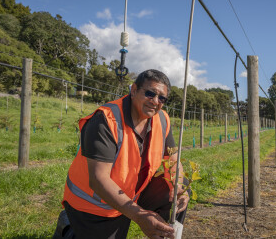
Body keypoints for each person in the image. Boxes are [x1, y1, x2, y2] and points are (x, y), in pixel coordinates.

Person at [56, 69, 189, 239]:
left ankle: (164, 234)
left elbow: (173, 161)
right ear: (133, 90)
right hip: (95, 204)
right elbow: (99, 180)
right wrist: (140, 216)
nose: (155, 101)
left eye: (162, 98)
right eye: (150, 93)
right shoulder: (106, 120)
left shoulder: (162, 119)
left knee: (179, 183)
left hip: (130, 193)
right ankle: (68, 225)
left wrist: (181, 189)